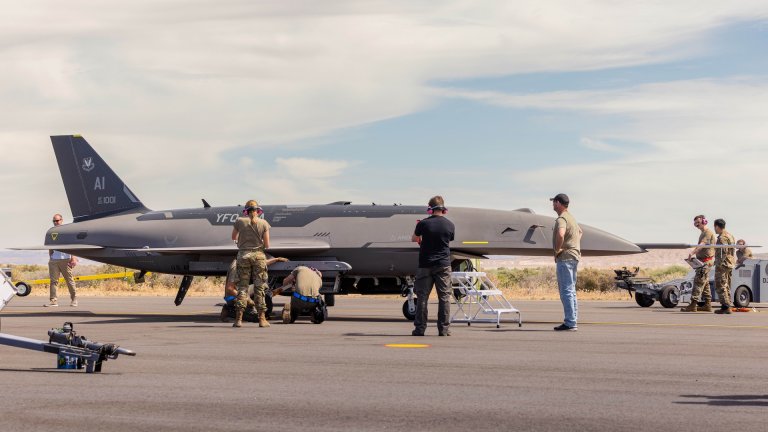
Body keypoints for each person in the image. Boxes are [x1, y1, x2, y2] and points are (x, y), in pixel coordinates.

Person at [411, 195, 455, 337]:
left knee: (422, 297)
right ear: (444, 210)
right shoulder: (450, 225)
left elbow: (414, 238)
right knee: (444, 297)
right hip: (443, 264)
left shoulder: (423, 224)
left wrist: (422, 236)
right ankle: (444, 329)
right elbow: (449, 239)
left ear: (430, 209)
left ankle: (420, 329)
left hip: (425, 264)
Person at [231, 200, 271, 328]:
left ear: (246, 211)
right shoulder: (264, 223)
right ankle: (262, 319)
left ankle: (238, 319)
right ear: (258, 211)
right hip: (259, 257)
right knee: (259, 288)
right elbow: (268, 245)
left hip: (243, 256)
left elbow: (233, 237)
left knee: (242, 287)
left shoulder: (239, 221)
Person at [220, 256, 288, 322]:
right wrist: (246, 298)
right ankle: (229, 311)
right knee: (257, 318)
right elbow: (229, 289)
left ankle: (264, 312)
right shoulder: (236, 267)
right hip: (232, 297)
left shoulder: (244, 261)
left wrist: (276, 259)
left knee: (263, 286)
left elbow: (260, 264)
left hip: (242, 291)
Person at [551, 193, 582, 331]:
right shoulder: (572, 218)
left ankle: (570, 322)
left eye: (554, 202)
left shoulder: (562, 219)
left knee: (566, 291)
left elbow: (561, 234)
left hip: (565, 258)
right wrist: (573, 244)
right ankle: (573, 320)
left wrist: (558, 249)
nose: (552, 205)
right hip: (574, 256)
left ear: (558, 203)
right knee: (571, 290)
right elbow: (580, 232)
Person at [681, 215, 715, 312]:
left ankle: (693, 305)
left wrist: (692, 253)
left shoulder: (707, 233)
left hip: (705, 262)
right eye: (695, 223)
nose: (696, 225)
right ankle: (707, 305)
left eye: (698, 223)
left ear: (704, 221)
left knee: (698, 282)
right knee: (705, 283)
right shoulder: (703, 233)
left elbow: (702, 245)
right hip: (703, 261)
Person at [45, 214, 78, 307]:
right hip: (54, 260)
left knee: (69, 280)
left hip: (66, 259)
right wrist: (51, 257)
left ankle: (74, 299)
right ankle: (53, 301)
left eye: (57, 220)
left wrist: (73, 258)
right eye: (54, 221)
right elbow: (49, 246)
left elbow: (73, 246)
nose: (56, 222)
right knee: (53, 281)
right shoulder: (51, 232)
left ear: (62, 220)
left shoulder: (67, 232)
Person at [713, 219, 736, 314]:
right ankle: (727, 304)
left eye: (714, 227)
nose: (714, 229)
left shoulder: (722, 238)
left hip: (723, 264)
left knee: (720, 284)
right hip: (730, 263)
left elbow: (723, 252)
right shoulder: (730, 235)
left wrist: (718, 263)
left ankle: (725, 306)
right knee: (726, 285)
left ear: (717, 226)